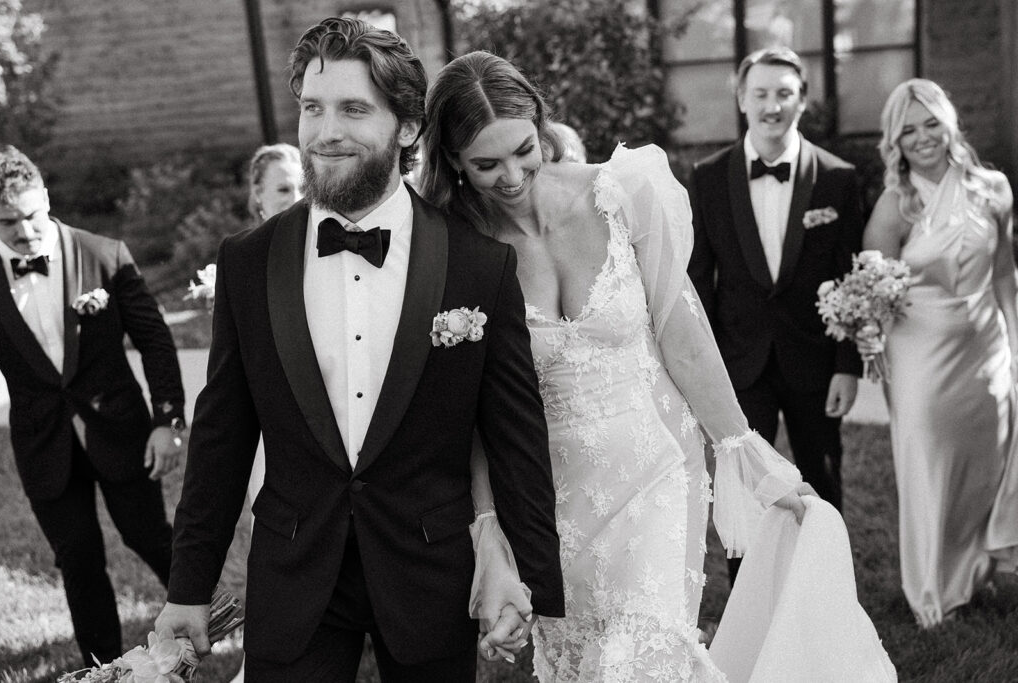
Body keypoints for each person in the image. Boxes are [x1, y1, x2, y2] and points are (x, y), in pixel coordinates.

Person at [156, 17, 564, 681]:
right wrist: (188, 587)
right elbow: (223, 434)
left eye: (353, 109)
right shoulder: (248, 261)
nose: (325, 131)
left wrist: (533, 584)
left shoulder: (477, 266)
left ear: (407, 128)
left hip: (431, 575)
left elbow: (516, 434)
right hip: (295, 575)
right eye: (312, 108)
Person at [420, 50, 816, 683]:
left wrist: (744, 453)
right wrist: (489, 529)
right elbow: (470, 413)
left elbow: (682, 337)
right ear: (453, 162)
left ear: (540, 123)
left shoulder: (621, 191)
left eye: (524, 149)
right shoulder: (451, 248)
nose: (513, 176)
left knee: (643, 659)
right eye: (485, 164)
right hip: (546, 500)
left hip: (657, 467)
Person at [0, 146, 186, 666]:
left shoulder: (104, 254)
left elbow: (155, 341)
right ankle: (102, 668)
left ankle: (217, 623)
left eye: (32, 216)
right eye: (7, 223)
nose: (25, 232)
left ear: (47, 199)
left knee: (149, 536)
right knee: (77, 559)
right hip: (42, 441)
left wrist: (167, 422)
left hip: (121, 429)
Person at [687, 47, 864, 583]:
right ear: (741, 99)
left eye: (784, 93)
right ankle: (750, 607)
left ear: (802, 100)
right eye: (760, 93)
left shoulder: (838, 178)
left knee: (823, 481)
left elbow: (853, 278)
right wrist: (704, 375)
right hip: (739, 366)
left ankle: (827, 591)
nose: (772, 106)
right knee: (745, 494)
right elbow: (700, 282)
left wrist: (847, 365)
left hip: (815, 364)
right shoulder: (707, 177)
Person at [861, 78, 1018, 628]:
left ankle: (976, 574)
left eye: (931, 123)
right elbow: (872, 288)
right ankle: (931, 591)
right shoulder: (895, 204)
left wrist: (1015, 345)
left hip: (986, 346)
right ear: (895, 142)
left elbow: (1004, 274)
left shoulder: (993, 188)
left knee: (985, 466)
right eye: (908, 130)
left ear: (949, 123)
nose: (923, 138)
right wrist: (869, 342)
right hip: (919, 354)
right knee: (930, 468)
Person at [228, 142, 302, 683]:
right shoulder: (243, 261)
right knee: (272, 537)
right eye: (283, 189)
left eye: (301, 186)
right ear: (257, 197)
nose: (296, 197)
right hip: (266, 428)